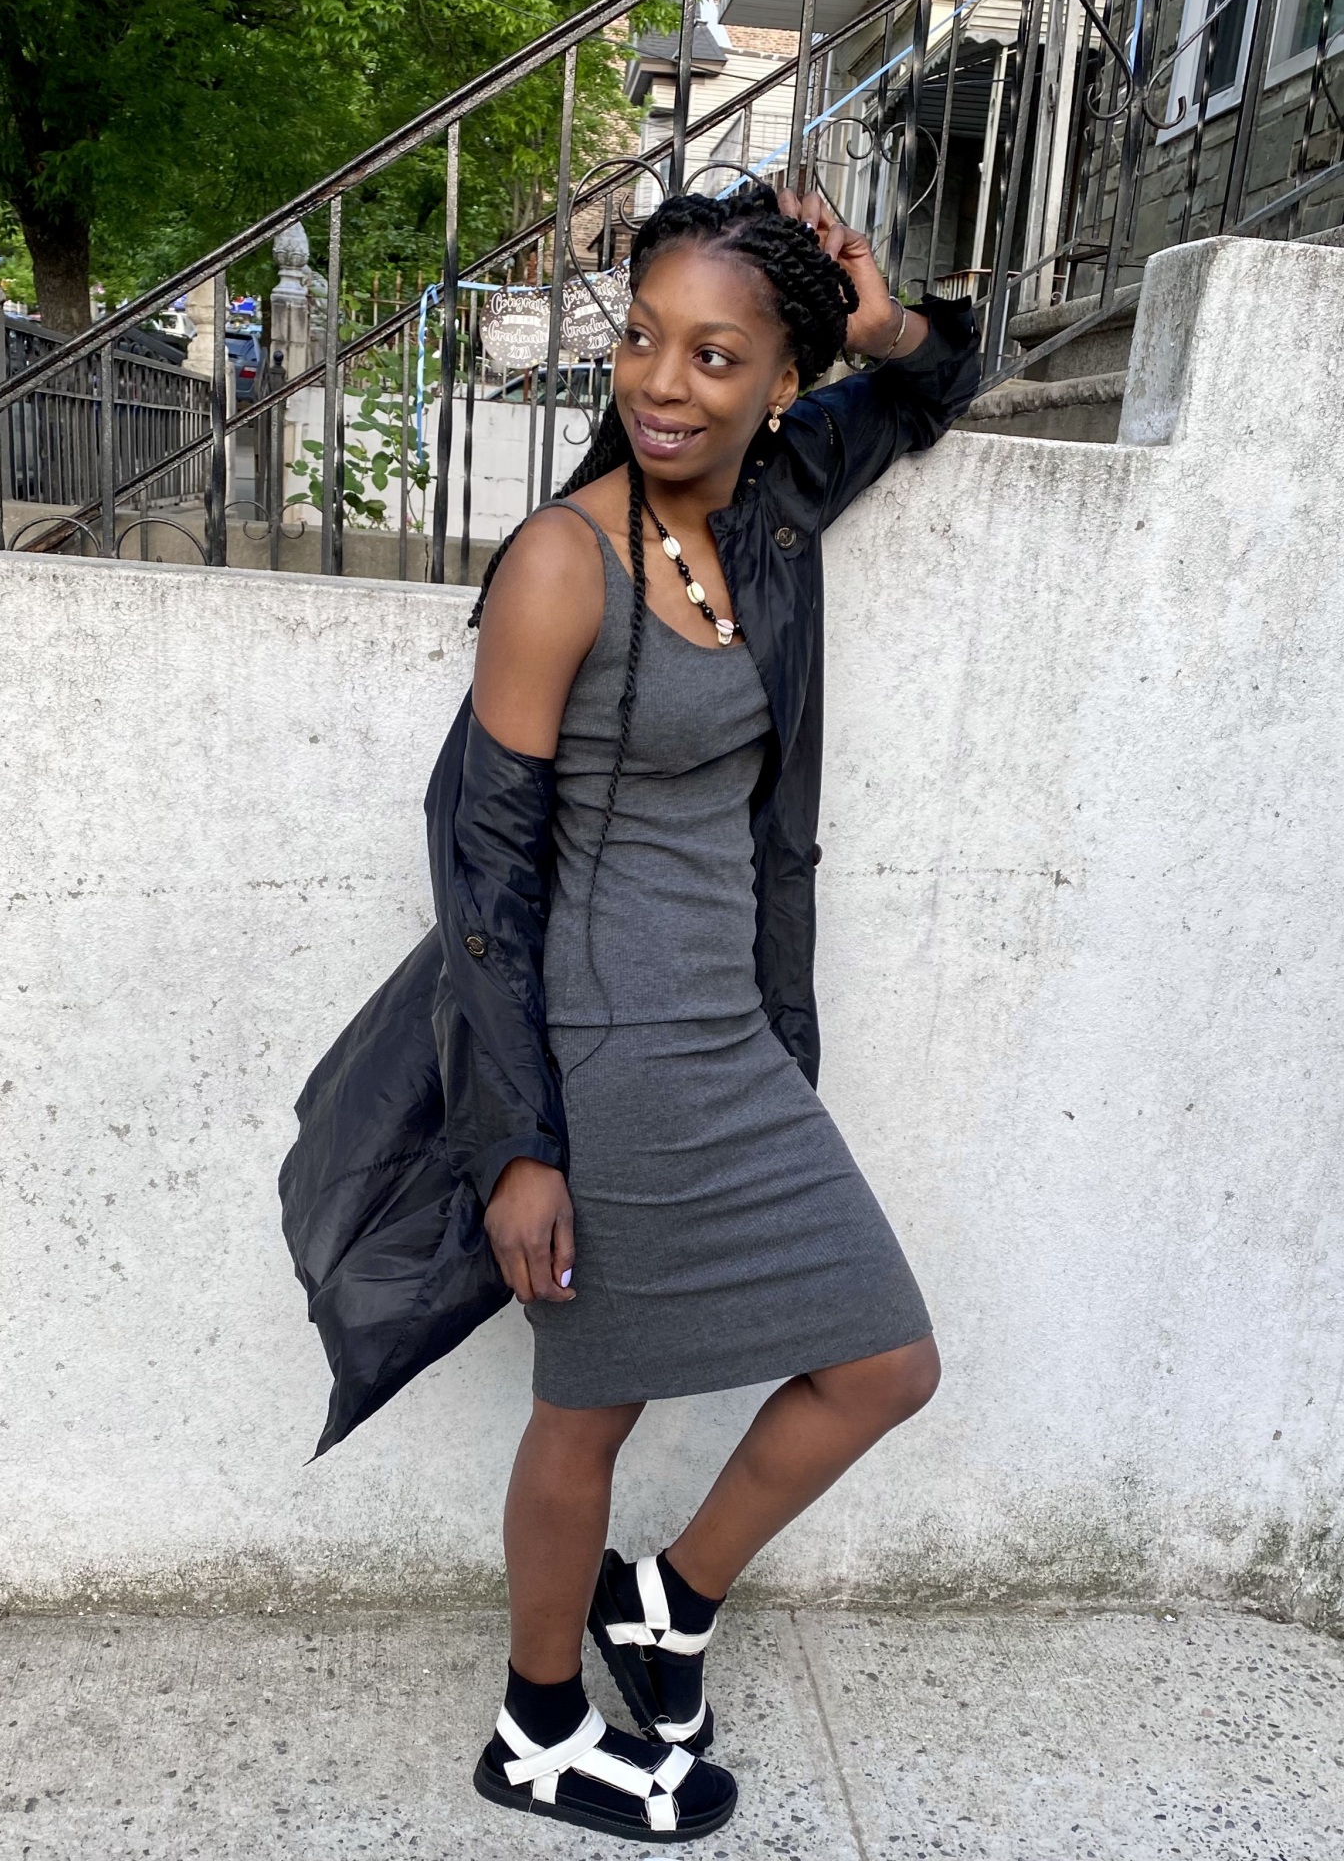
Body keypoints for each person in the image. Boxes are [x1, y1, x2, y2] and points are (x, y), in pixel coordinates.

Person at [455, 183, 982, 1840]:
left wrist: (884, 322)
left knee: (885, 1361)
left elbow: (936, 381)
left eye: (713, 354)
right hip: (604, 1054)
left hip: (732, 1038)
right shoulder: (564, 562)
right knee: (588, 1405)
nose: (662, 383)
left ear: (779, 382)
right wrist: (519, 1143)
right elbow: (483, 872)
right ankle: (540, 1728)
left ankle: (667, 1603)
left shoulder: (775, 495)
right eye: (641, 340)